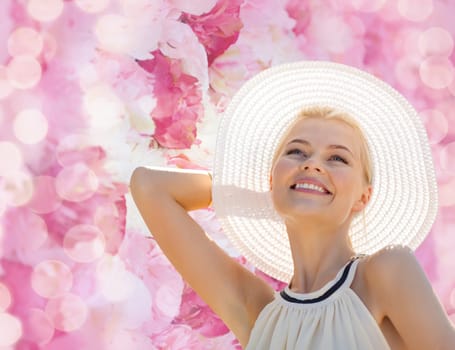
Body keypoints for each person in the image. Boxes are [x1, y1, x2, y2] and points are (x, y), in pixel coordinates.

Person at [130, 61, 455, 349]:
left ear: (363, 197)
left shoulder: (385, 272)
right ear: (271, 178)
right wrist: (276, 192)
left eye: (337, 158)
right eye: (297, 152)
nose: (313, 164)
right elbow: (150, 186)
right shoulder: (258, 314)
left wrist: (298, 188)